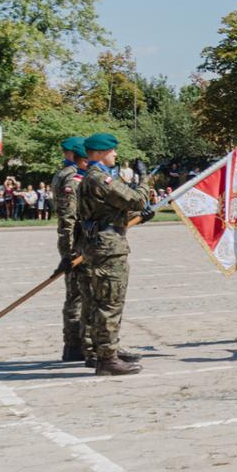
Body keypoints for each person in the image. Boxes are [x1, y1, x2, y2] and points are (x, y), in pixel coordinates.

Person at [76, 132, 151, 376]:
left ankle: (106, 351)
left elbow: (109, 212)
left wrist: (135, 218)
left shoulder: (93, 178)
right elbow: (137, 199)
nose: (116, 155)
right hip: (108, 248)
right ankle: (107, 359)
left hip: (101, 243)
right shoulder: (100, 179)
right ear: (99, 153)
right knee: (110, 303)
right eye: (112, 151)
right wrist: (144, 178)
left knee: (101, 301)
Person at [51, 138, 91, 362]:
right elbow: (68, 218)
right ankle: (77, 345)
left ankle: (76, 345)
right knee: (79, 296)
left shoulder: (63, 173)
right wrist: (69, 252)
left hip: (75, 241)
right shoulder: (72, 178)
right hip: (76, 242)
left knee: (78, 295)